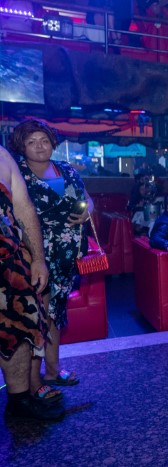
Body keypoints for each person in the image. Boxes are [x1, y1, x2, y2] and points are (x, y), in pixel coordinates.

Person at [10, 119, 92, 397]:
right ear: (21, 146)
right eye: (31, 142)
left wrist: (88, 211)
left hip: (66, 257)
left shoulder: (66, 169)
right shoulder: (16, 173)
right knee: (37, 317)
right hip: (34, 256)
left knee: (55, 313)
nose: (39, 146)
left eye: (44, 140)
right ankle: (33, 384)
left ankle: (53, 370)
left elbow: (87, 198)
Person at [0, 145, 62, 421]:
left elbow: (23, 208)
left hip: (9, 262)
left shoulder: (2, 156)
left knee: (19, 328)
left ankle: (19, 400)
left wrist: (38, 259)